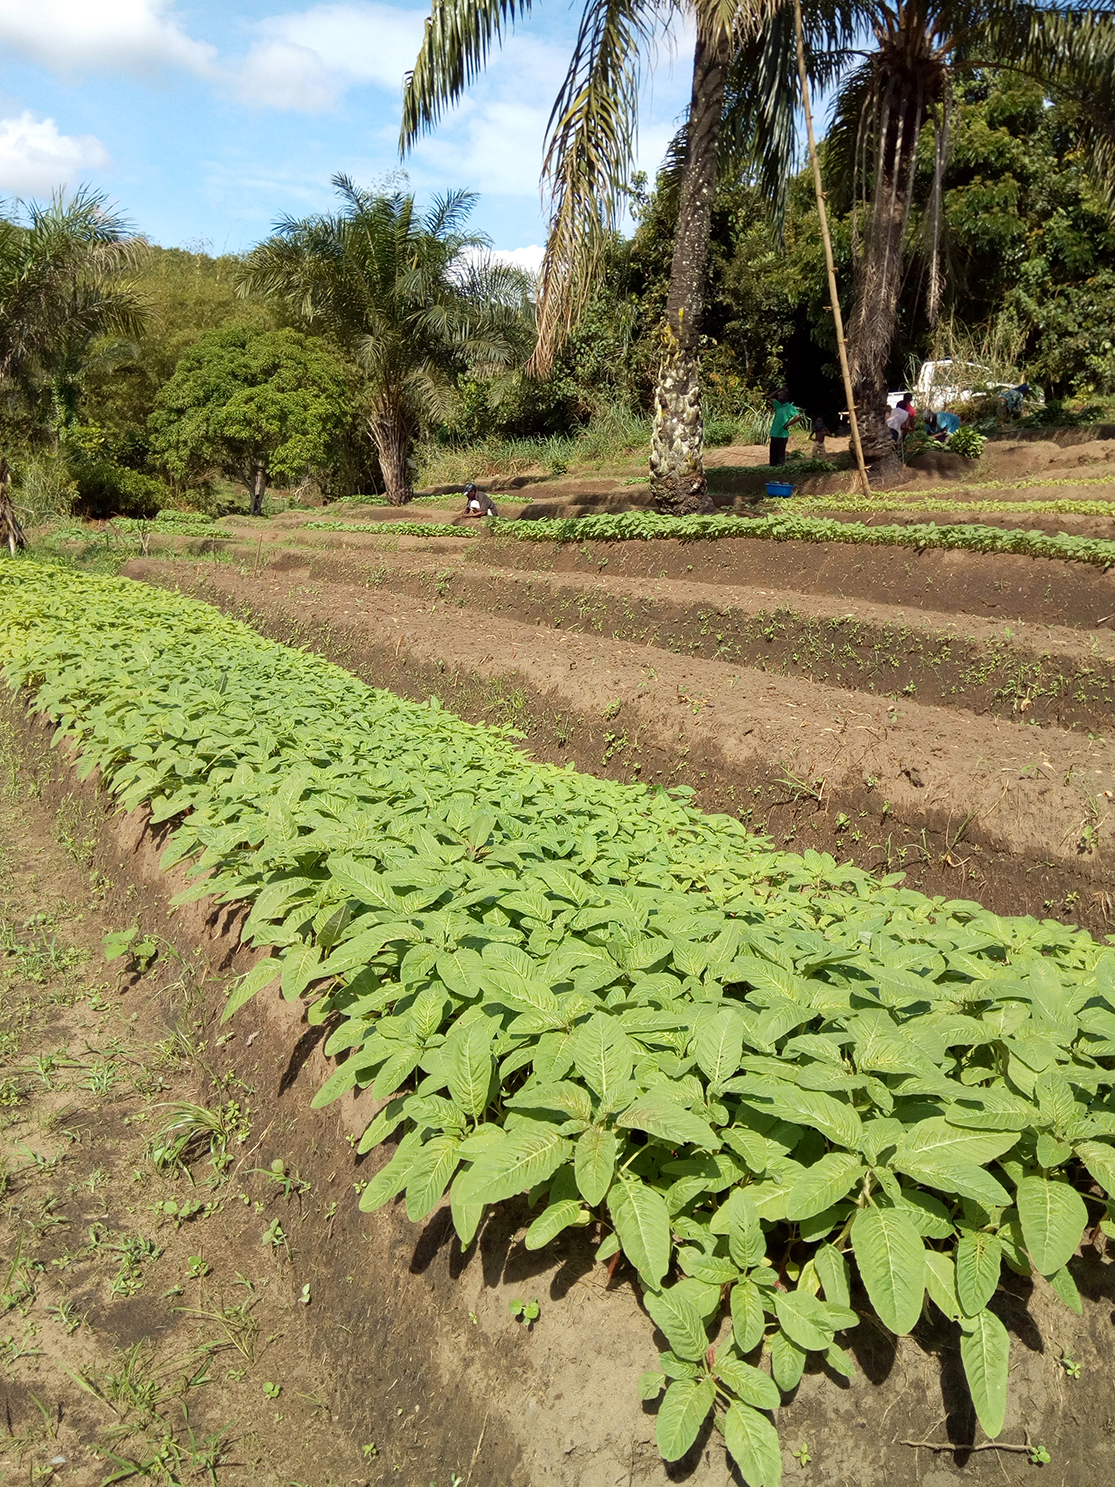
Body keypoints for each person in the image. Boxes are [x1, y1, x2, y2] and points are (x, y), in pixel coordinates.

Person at [769, 387, 801, 466]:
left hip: (782, 434)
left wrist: (787, 424)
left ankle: (780, 467)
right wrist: (778, 390)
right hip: (774, 433)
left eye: (781, 394)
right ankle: (773, 467)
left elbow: (798, 416)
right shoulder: (778, 405)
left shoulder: (789, 407)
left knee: (780, 454)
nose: (779, 396)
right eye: (779, 394)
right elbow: (769, 397)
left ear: (786, 397)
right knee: (773, 454)